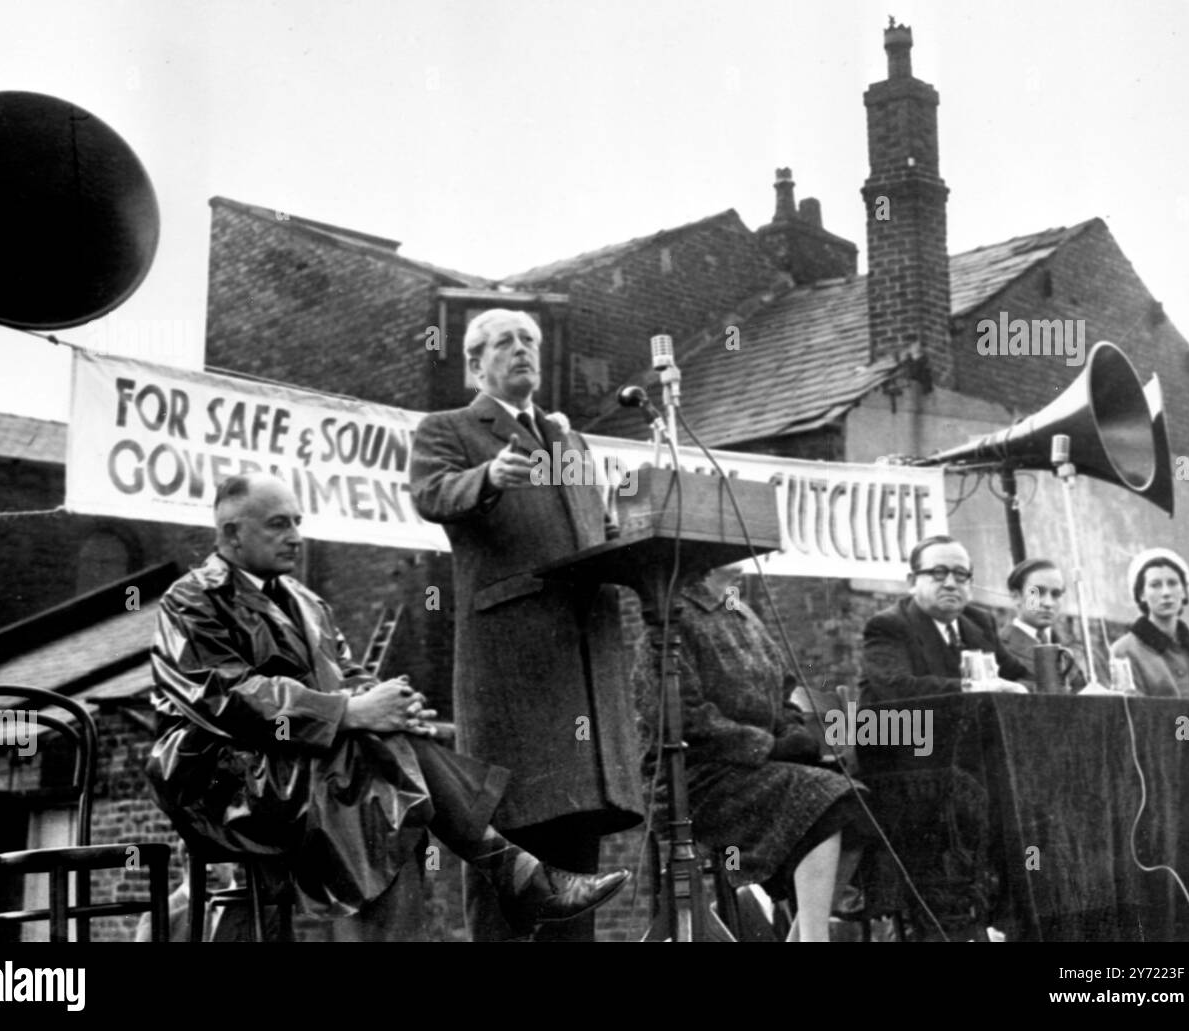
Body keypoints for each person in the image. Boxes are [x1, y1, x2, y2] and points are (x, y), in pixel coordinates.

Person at [146, 473, 628, 941]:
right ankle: (517, 873)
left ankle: (516, 875)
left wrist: (390, 704)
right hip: (218, 777)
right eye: (279, 524)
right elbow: (224, 697)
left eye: (297, 521)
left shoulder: (307, 602)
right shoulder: (192, 599)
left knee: (386, 792)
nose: (296, 536)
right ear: (232, 533)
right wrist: (352, 713)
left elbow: (348, 676)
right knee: (380, 775)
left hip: (305, 765)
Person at [409, 308, 644, 942]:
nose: (521, 350)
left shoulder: (570, 443)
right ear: (474, 363)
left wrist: (625, 535)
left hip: (584, 673)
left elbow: (593, 532)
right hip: (514, 672)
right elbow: (432, 493)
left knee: (577, 865)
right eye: (505, 342)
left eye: (530, 341)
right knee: (508, 853)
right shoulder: (450, 428)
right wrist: (488, 476)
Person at [631, 565, 868, 941]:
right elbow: (682, 716)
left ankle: (806, 935)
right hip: (697, 778)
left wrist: (793, 734)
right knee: (828, 800)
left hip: (756, 770)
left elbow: (784, 689)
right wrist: (768, 745)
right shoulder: (672, 617)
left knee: (856, 803)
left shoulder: (741, 612)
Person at [1110, 548, 1189, 829]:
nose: (1165, 592)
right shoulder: (1125, 651)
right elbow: (1134, 719)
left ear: (1185, 592)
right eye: (1155, 584)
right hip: (1162, 767)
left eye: (1172, 583)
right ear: (1141, 595)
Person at [860, 535, 1030, 703]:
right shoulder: (888, 625)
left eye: (960, 574)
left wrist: (1022, 686)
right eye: (938, 573)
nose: (950, 584)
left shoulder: (980, 621)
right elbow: (898, 687)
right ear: (912, 582)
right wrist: (976, 687)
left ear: (970, 584)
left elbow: (1017, 674)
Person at [998, 558, 1088, 692]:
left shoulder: (1068, 648)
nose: (1048, 603)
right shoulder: (1000, 646)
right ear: (1016, 597)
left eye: (1056, 594)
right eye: (1037, 592)